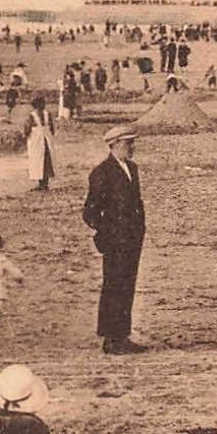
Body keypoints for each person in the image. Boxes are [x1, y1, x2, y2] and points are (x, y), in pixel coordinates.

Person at [82, 126, 147, 355]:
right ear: (114, 145)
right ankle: (110, 338)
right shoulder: (102, 173)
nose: (132, 148)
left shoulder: (133, 168)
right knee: (113, 287)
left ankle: (123, 335)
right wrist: (108, 233)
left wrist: (139, 229)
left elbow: (136, 202)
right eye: (128, 144)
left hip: (132, 239)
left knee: (127, 286)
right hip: (115, 241)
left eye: (132, 143)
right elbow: (90, 212)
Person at [26, 97, 56, 190]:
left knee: (37, 160)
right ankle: (44, 183)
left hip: (37, 140)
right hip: (46, 140)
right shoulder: (47, 114)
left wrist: (26, 136)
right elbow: (52, 129)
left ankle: (41, 183)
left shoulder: (32, 116)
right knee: (46, 160)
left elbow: (27, 129)